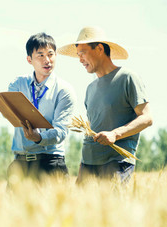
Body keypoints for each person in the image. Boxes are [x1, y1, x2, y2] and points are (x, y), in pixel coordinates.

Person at [57, 26, 153, 184]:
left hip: (118, 163)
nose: (80, 60)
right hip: (89, 165)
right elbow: (93, 127)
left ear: (99, 48)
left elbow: (147, 118)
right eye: (78, 55)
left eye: (83, 53)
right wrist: (82, 170)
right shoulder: (90, 89)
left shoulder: (127, 78)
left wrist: (115, 134)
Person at [7, 32, 76, 187]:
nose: (47, 60)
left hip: (50, 163)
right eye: (40, 55)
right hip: (20, 163)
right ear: (29, 59)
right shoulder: (17, 85)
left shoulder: (64, 90)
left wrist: (39, 137)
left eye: (51, 54)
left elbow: (61, 131)